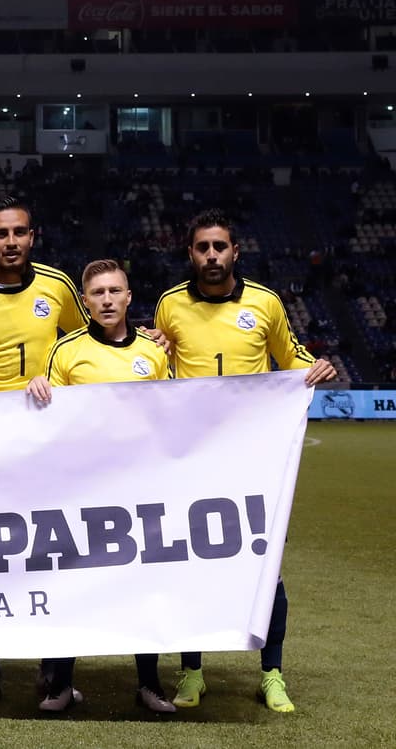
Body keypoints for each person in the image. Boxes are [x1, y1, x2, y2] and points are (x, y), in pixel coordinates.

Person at [154, 209, 336, 714]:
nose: (211, 255)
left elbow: (292, 356)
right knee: (189, 565)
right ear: (189, 253)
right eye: (202, 248)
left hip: (253, 461)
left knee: (266, 569)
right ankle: (192, 672)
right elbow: (154, 367)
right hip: (191, 460)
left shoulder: (266, 302)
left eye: (220, 247)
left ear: (236, 251)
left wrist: (314, 366)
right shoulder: (170, 305)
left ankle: (271, 674)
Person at [0, 196, 88, 705]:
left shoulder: (59, 286)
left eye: (19, 233)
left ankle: (57, 674)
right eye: (1, 235)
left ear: (33, 237)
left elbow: (84, 344)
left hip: (51, 438)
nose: (11, 242)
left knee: (55, 551)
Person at [24, 259, 175, 714]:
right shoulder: (66, 351)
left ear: (129, 297)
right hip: (83, 490)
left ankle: (149, 683)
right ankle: (61, 686)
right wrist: (35, 386)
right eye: (98, 294)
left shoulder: (154, 354)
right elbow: (49, 418)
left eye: (115, 291)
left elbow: (171, 416)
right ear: (85, 302)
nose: (107, 300)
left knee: (142, 587)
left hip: (139, 490)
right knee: (73, 585)